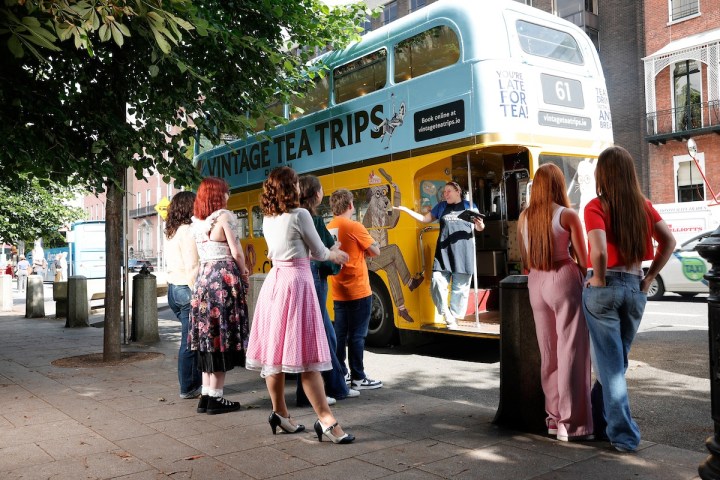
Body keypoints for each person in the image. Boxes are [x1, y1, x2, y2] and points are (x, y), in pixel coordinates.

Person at [246, 166, 354, 444]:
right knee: (307, 357)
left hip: (276, 284)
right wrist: (337, 253)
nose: (298, 187)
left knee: (275, 356)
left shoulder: (269, 218)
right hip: (297, 283)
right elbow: (319, 252)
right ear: (289, 188)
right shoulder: (300, 214)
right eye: (294, 183)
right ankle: (327, 421)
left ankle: (280, 414)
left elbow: (277, 251)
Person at [582, 146, 675, 453]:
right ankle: (600, 421)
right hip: (636, 286)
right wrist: (649, 278)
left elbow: (599, 251)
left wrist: (597, 277)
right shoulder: (643, 205)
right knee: (616, 363)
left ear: (602, 174)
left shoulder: (596, 206)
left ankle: (623, 435)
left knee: (610, 367)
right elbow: (669, 241)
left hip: (605, 286)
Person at [517, 163, 593, 442]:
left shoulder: (525, 217)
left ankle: (552, 419)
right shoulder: (567, 215)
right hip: (563, 277)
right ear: (559, 185)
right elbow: (584, 261)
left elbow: (525, 260)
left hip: (535, 281)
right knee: (571, 351)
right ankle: (570, 425)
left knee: (548, 353)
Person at [295, 175, 359, 406]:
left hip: (301, 276)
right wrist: (335, 252)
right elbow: (322, 252)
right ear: (315, 193)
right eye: (321, 189)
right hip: (314, 276)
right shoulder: (311, 218)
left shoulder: (293, 216)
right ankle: (328, 389)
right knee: (322, 333)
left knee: (326, 333)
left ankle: (336, 385)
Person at [190, 177, 250, 415]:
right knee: (222, 334)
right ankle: (216, 397)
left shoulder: (197, 223)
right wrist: (244, 273)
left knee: (207, 334)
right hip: (222, 279)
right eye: (226, 191)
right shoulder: (225, 217)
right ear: (217, 195)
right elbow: (236, 251)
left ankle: (206, 395)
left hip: (204, 279)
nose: (228, 194)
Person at [395, 181, 485, 328]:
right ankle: (446, 313)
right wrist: (405, 210)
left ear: (458, 191)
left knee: (459, 289)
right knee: (437, 281)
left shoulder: (469, 205)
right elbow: (424, 220)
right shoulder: (442, 206)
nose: (445, 194)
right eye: (444, 192)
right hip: (444, 251)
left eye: (449, 191)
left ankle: (453, 318)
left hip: (463, 252)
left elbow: (479, 227)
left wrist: (480, 225)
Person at [327, 189, 383, 390]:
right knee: (358, 335)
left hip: (339, 290)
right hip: (358, 289)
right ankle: (358, 377)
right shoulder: (354, 226)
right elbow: (375, 250)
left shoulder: (329, 227)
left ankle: (341, 374)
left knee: (341, 335)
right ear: (350, 205)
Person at [165, 191, 202, 400]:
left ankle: (194, 383)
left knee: (190, 338)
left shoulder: (171, 230)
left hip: (173, 289)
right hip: (186, 289)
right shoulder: (188, 231)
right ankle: (188, 387)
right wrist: (197, 291)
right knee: (189, 341)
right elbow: (192, 266)